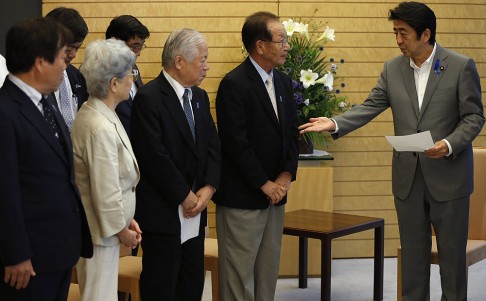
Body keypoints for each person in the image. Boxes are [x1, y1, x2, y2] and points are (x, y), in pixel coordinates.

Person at [299, 2, 484, 300]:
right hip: (408, 180)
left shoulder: (460, 66)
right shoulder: (392, 68)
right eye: (395, 32)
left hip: (450, 180)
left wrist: (449, 143)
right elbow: (371, 105)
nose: (398, 39)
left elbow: (474, 116)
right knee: (412, 257)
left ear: (426, 34)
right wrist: (334, 123)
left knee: (451, 261)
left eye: (403, 33)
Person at [0, 17, 93, 301]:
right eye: (60, 58)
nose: (66, 66)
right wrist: (16, 254)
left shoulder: (44, 102)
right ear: (40, 62)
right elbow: (5, 191)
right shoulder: (6, 113)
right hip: (28, 260)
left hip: (58, 251)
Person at [214, 11, 299, 301]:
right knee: (239, 276)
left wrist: (286, 176)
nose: (287, 46)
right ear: (260, 46)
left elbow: (291, 133)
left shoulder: (284, 83)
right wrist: (264, 183)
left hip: (276, 196)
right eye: (282, 40)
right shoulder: (233, 84)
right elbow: (235, 144)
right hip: (244, 197)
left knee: (267, 271)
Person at [131, 28, 221, 301]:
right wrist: (184, 195)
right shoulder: (150, 97)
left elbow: (213, 147)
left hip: (196, 209)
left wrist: (208, 188)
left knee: (191, 282)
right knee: (162, 284)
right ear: (179, 61)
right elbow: (153, 156)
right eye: (202, 60)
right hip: (164, 209)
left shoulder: (200, 97)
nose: (206, 66)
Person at [72, 39, 141, 301]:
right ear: (113, 83)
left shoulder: (103, 112)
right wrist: (122, 230)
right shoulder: (97, 124)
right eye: (130, 74)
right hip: (100, 235)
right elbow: (104, 189)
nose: (133, 80)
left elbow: (117, 183)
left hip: (107, 230)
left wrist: (126, 219)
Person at [46, 7, 89, 132]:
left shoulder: (76, 75)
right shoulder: (34, 79)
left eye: (78, 48)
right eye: (69, 48)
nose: (74, 55)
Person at [106, 15, 149, 138]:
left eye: (141, 46)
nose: (138, 53)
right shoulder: (99, 73)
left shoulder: (133, 68)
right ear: (115, 43)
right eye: (135, 47)